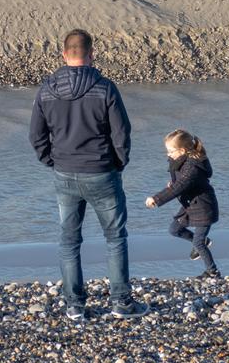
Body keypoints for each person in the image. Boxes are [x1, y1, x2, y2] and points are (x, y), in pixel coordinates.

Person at [29, 28, 147, 320]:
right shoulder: (105, 88)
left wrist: (51, 160)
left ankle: (74, 305)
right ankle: (120, 302)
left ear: (63, 54)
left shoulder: (46, 89)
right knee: (115, 238)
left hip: (66, 173)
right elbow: (122, 132)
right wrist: (119, 162)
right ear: (92, 54)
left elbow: (36, 135)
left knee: (69, 240)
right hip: (101, 171)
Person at [144, 129, 221, 279]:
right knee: (174, 230)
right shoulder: (179, 161)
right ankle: (203, 242)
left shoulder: (193, 167)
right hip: (189, 205)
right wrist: (173, 182)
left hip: (204, 206)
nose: (168, 154)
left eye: (171, 151)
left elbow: (179, 187)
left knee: (198, 244)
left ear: (183, 150)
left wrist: (156, 199)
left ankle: (213, 272)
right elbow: (177, 182)